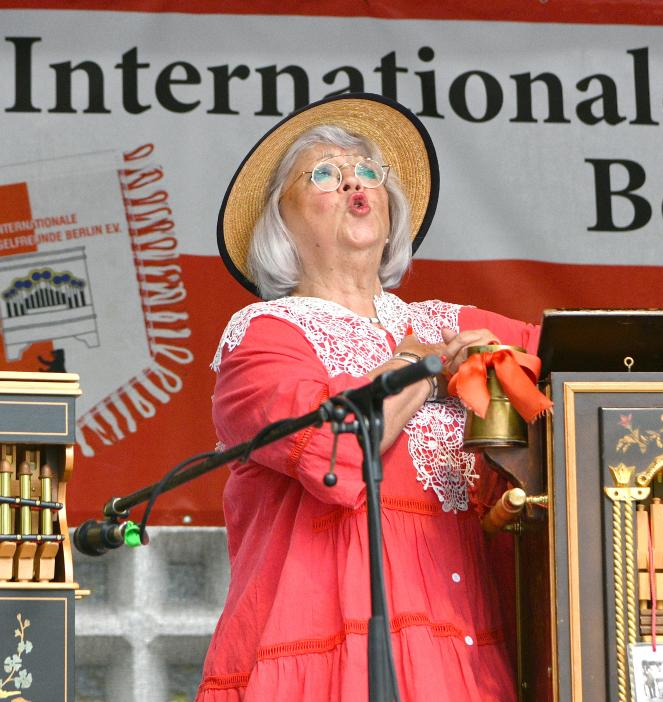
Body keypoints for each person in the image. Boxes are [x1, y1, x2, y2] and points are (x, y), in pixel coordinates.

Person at [195, 93, 538, 701]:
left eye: (369, 172)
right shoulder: (263, 334)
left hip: (467, 646)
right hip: (330, 651)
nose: (355, 183)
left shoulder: (447, 320)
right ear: (280, 220)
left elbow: (583, 359)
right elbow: (335, 450)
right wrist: (423, 369)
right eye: (325, 174)